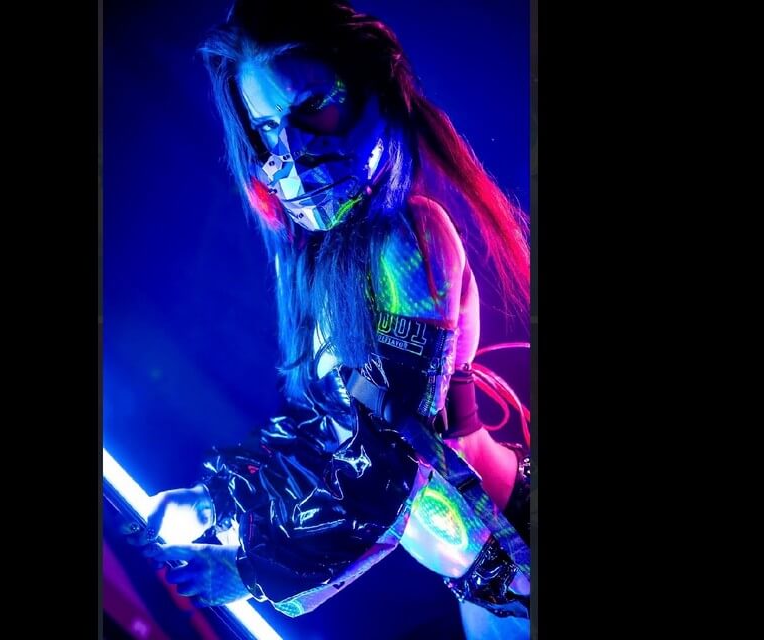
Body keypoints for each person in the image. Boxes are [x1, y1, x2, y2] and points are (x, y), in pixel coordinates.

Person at [133, 1, 531, 637]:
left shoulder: (409, 240)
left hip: (513, 550)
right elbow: (330, 425)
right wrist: (215, 502)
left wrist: (254, 570)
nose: (292, 150)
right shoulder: (318, 256)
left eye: (314, 106)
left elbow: (395, 453)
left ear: (374, 89)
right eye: (267, 127)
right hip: (482, 577)